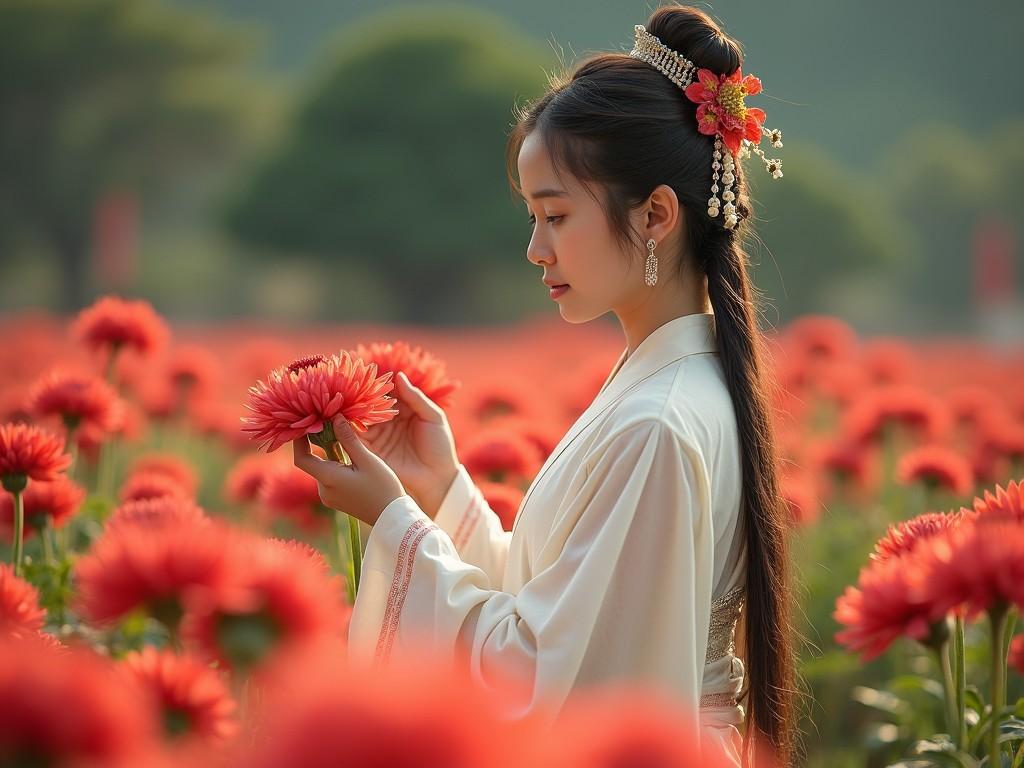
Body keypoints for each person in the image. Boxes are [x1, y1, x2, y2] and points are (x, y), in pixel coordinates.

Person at [291, 5, 798, 766]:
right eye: (533, 217)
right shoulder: (673, 388)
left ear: (657, 214)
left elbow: (545, 684)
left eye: (556, 216)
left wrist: (395, 524)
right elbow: (570, 616)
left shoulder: (656, 422)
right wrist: (443, 494)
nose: (535, 249)